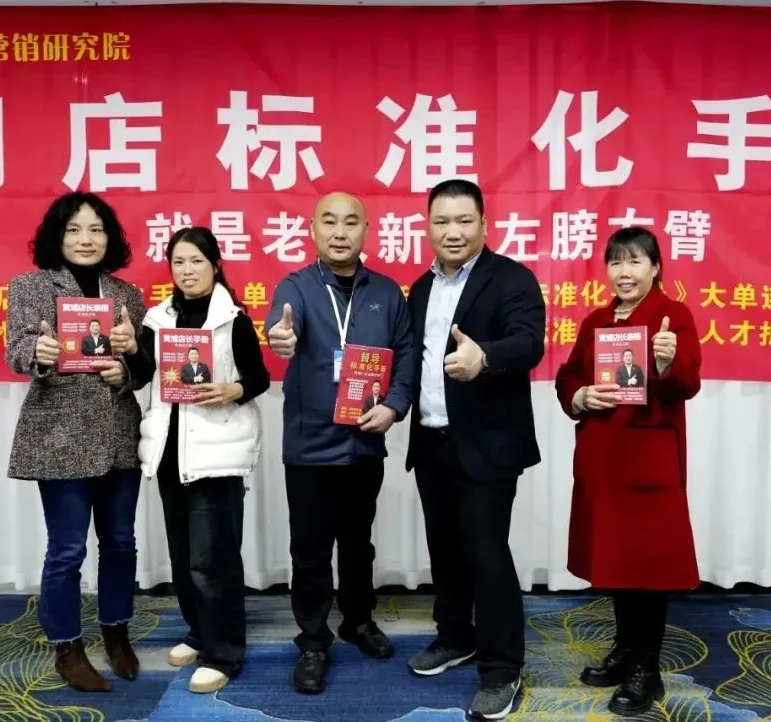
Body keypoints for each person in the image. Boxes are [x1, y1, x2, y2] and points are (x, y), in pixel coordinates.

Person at [404, 179, 545, 721]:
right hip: (432, 439)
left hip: (488, 445)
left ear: (485, 224)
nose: (453, 231)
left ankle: (502, 667)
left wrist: (483, 357)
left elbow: (529, 342)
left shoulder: (511, 278)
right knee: (445, 550)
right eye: (442, 221)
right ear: (428, 227)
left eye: (464, 220)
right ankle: (455, 636)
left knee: (487, 553)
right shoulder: (420, 288)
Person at [264, 191, 414, 694]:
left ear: (366, 230)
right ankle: (312, 640)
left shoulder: (387, 292)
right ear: (312, 230)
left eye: (351, 222)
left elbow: (406, 355)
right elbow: (281, 327)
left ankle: (358, 620)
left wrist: (394, 406)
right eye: (329, 222)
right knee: (310, 550)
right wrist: (281, 339)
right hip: (311, 447)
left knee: (357, 544)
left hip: (364, 441)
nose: (340, 232)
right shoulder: (297, 287)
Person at [554, 226, 702, 717]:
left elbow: (688, 382)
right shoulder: (597, 320)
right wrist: (580, 396)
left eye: (635, 261)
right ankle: (624, 647)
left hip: (647, 461)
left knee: (647, 568)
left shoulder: (672, 316)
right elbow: (568, 375)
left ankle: (647, 667)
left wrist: (667, 362)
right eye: (616, 262)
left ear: (655, 268)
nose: (624, 271)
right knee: (617, 563)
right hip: (603, 457)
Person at [117, 226, 270, 694]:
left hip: (215, 454)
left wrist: (232, 389)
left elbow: (259, 377)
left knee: (213, 561)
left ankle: (224, 652)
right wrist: (131, 349)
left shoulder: (232, 319)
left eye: (196, 261)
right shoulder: (157, 317)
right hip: (169, 453)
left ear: (216, 265)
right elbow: (143, 374)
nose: (187, 271)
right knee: (184, 558)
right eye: (178, 262)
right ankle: (199, 631)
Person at [4, 191, 146, 692]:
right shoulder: (30, 286)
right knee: (66, 549)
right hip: (60, 435)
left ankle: (116, 632)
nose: (86, 239)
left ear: (110, 238)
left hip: (119, 434)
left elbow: (143, 366)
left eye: (96, 230)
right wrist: (39, 352)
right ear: (57, 236)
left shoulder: (127, 294)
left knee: (121, 542)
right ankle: (67, 646)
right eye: (74, 230)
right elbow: (16, 350)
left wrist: (128, 369)